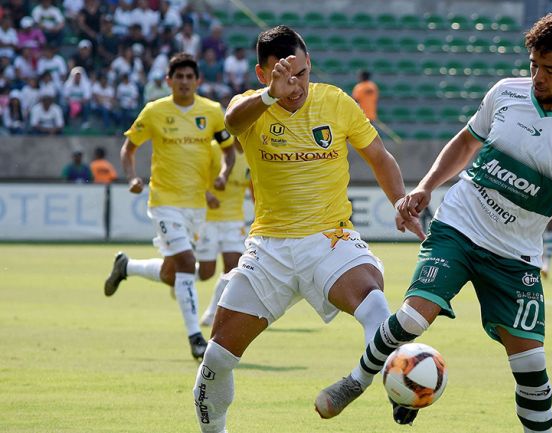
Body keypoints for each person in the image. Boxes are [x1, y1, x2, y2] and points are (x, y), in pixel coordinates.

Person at [315, 11, 552, 431]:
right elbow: (467, 140)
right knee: (414, 317)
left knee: (531, 365)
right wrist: (426, 186)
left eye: (550, 69)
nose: (538, 76)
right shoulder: (507, 93)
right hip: (460, 226)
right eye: (533, 65)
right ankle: (355, 382)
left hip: (514, 255)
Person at [191, 25, 423, 433]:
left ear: (310, 65)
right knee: (217, 360)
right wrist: (270, 96)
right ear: (262, 75)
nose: (294, 85)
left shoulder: (336, 102)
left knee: (374, 303)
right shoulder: (250, 107)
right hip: (269, 248)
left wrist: (400, 203)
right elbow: (231, 120)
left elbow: (380, 158)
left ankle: (387, 380)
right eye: (283, 76)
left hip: (328, 240)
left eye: (301, 74)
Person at [103, 52, 236, 361]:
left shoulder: (212, 112)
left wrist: (223, 175)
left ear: (198, 81)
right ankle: (195, 338)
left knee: (174, 272)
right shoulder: (154, 112)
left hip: (196, 207)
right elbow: (129, 148)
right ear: (169, 81)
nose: (185, 82)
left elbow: (229, 152)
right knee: (189, 264)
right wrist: (132, 177)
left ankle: (127, 266)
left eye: (190, 77)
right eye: (179, 77)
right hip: (164, 202)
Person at [198, 138, 252, 327]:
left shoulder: (253, 153)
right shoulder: (214, 149)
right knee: (205, 272)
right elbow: (194, 175)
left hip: (234, 221)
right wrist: (207, 194)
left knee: (233, 267)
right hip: (207, 219)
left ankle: (212, 313)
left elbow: (255, 188)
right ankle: (181, 275)